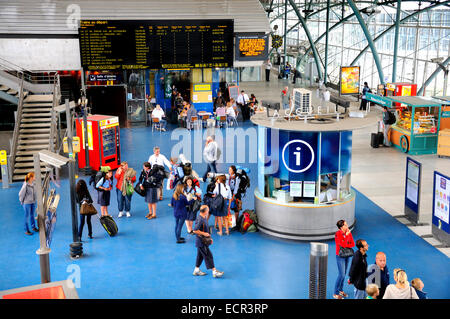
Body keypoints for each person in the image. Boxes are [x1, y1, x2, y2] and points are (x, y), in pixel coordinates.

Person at [192, 205, 224, 278]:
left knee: (200, 256)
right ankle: (214, 271)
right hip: (201, 242)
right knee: (208, 255)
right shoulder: (201, 219)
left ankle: (196, 270)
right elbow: (195, 230)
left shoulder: (203, 218)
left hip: (202, 242)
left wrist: (209, 238)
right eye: (208, 210)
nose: (209, 211)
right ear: (205, 211)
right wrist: (204, 234)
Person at [333, 219, 355, 299]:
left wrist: (347, 237)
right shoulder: (337, 234)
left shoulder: (348, 232)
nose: (347, 226)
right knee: (341, 274)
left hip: (347, 255)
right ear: (341, 227)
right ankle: (335, 293)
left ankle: (340, 291)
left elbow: (352, 244)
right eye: (345, 225)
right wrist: (347, 236)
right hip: (340, 256)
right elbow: (343, 244)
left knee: (344, 274)